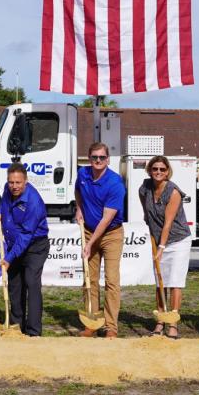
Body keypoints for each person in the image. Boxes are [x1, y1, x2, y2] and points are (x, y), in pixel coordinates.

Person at [75, 141, 125, 338]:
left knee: (111, 281)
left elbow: (106, 220)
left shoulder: (115, 183)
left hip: (111, 234)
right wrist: (79, 207)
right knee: (89, 280)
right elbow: (78, 191)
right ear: (89, 159)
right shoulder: (83, 174)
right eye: (94, 157)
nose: (98, 161)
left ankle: (111, 327)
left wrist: (89, 243)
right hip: (87, 230)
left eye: (102, 157)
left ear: (108, 159)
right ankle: (92, 323)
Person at [139, 155, 190, 339]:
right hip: (157, 239)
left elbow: (168, 223)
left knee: (175, 281)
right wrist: (154, 238)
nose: (158, 172)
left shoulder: (173, 191)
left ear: (167, 171)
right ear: (150, 170)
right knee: (160, 281)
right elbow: (147, 215)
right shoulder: (144, 189)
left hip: (177, 240)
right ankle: (160, 320)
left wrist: (161, 247)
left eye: (162, 169)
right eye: (155, 169)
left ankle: (173, 323)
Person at [0, 162, 50, 337]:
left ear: (25, 181)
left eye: (18, 183)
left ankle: (34, 332)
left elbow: (26, 235)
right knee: (15, 285)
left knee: (31, 283)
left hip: (34, 246)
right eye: (11, 182)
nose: (14, 186)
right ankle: (17, 327)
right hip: (14, 244)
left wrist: (9, 258)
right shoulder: (7, 189)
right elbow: (4, 202)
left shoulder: (33, 202)